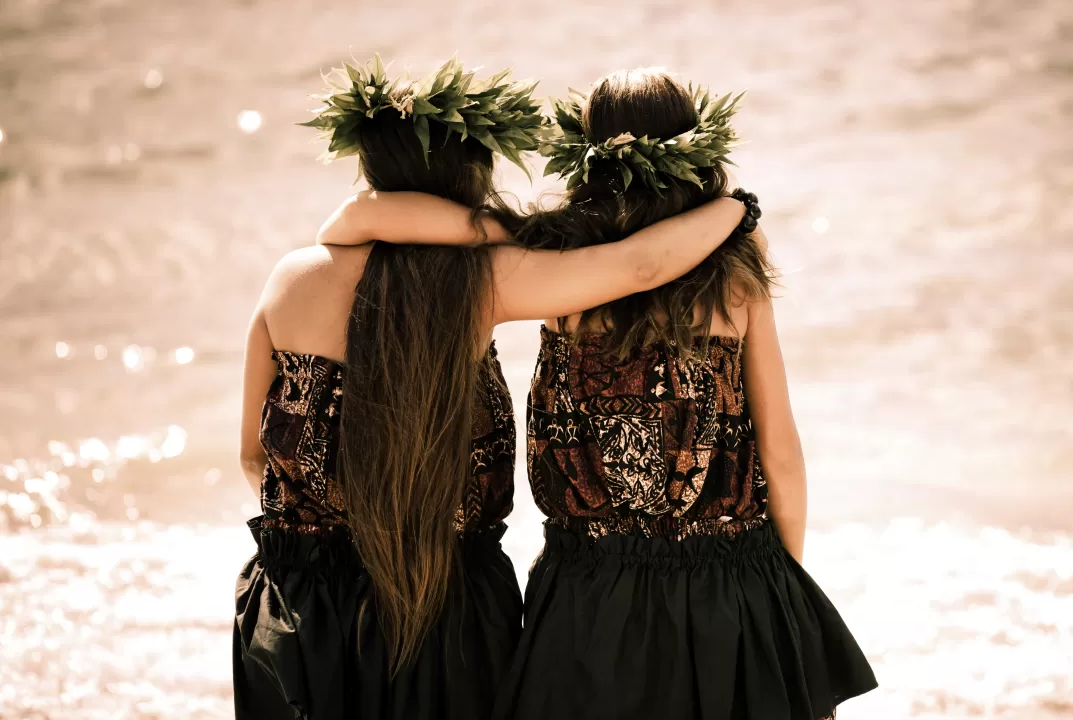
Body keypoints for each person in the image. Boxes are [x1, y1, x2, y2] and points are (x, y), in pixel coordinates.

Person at [320, 67, 877, 720]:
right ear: (698, 150)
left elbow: (363, 221)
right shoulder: (734, 263)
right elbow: (778, 447)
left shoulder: (553, 256)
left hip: (587, 592)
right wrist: (784, 592)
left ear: (588, 158)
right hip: (730, 579)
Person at [233, 57, 756, 720]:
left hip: (299, 600)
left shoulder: (291, 280)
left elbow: (252, 454)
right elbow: (640, 265)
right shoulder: (485, 281)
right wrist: (739, 208)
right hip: (448, 600)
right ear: (469, 176)